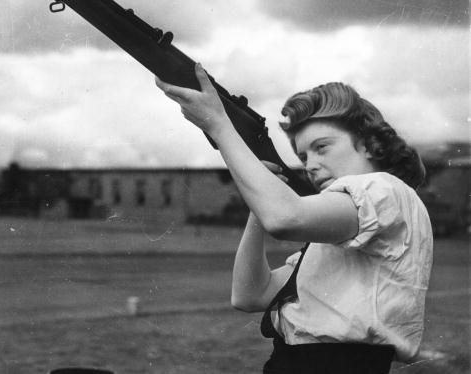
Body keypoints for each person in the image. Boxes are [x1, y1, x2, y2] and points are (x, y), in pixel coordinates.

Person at [155, 64, 433, 374]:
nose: (311, 165)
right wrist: (257, 208)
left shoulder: (382, 189)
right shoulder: (348, 222)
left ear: (368, 144)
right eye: (303, 157)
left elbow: (285, 218)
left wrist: (218, 125)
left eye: (322, 148)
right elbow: (249, 295)